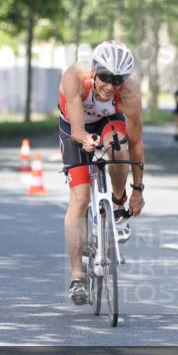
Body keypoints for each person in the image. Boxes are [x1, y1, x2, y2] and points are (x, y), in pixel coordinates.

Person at [58, 40, 146, 306]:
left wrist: (137, 191)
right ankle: (77, 277)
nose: (111, 85)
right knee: (80, 200)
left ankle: (116, 208)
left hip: (109, 121)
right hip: (75, 124)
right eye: (106, 77)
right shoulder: (76, 77)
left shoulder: (129, 95)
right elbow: (76, 131)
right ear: (95, 70)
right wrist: (84, 139)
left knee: (119, 145)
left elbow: (137, 144)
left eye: (118, 80)